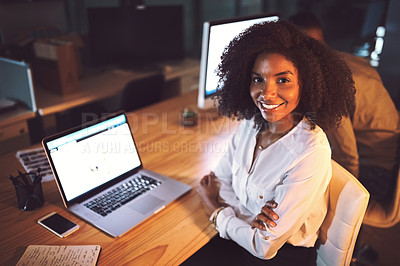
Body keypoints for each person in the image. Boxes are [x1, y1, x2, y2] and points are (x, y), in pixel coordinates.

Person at [184, 20, 355, 265]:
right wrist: (250, 216)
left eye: (282, 80)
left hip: (281, 256)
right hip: (241, 237)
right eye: (258, 79)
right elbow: (220, 178)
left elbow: (264, 245)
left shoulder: (310, 151)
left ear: (305, 84)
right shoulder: (250, 123)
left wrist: (214, 208)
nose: (267, 93)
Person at [288, 11, 400, 203]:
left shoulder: (328, 83)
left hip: (377, 174)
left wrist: (342, 206)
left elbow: (348, 159)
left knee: (295, 183)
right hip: (393, 158)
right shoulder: (345, 59)